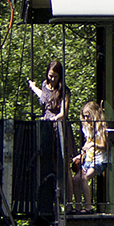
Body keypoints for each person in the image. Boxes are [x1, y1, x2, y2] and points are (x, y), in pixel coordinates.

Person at [28, 59, 75, 205]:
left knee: (65, 167)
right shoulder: (45, 85)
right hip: (46, 129)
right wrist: (33, 87)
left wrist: (54, 119)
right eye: (50, 75)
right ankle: (49, 201)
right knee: (48, 164)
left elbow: (63, 113)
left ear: (60, 76)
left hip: (59, 128)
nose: (52, 79)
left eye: (54, 76)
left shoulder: (64, 91)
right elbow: (44, 97)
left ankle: (69, 203)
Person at [71, 101, 108, 214]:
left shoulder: (101, 127)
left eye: (88, 115)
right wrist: (80, 155)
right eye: (84, 116)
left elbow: (105, 146)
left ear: (95, 114)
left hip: (100, 160)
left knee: (83, 178)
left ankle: (89, 207)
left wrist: (92, 144)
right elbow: (87, 146)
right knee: (75, 179)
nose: (86, 118)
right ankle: (77, 207)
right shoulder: (87, 128)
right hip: (88, 160)